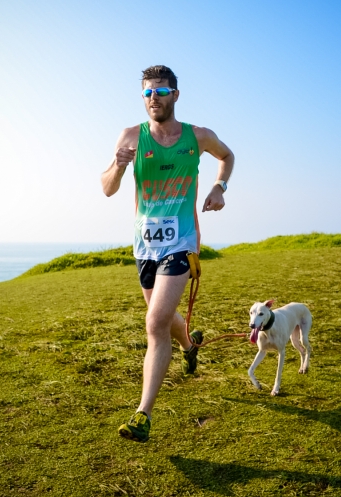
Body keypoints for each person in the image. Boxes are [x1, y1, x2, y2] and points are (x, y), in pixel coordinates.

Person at [101, 65, 235, 442]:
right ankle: (191, 346)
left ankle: (143, 415)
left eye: (161, 91)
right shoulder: (131, 136)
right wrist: (118, 164)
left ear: (175, 94)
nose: (153, 98)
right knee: (163, 316)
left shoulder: (197, 136)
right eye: (147, 93)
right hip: (144, 245)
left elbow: (227, 156)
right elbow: (107, 188)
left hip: (182, 242)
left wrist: (219, 187)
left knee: (155, 324)